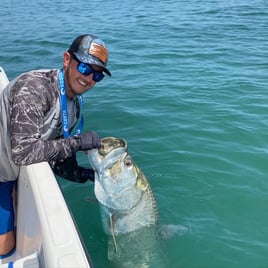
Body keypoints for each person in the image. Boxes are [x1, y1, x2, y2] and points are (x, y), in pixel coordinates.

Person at [0, 34, 111, 258]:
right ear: (67, 59)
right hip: (3, 175)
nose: (88, 78)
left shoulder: (74, 104)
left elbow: (57, 160)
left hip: (11, 169)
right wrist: (77, 143)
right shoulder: (34, 89)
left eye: (97, 74)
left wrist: (89, 175)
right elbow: (23, 152)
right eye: (85, 68)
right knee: (6, 248)